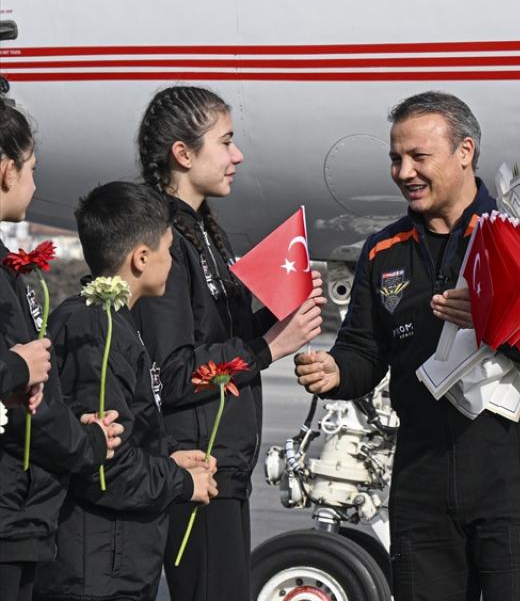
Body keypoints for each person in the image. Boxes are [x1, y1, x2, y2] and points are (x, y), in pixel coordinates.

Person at [293, 91, 520, 601]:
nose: (404, 171)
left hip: (513, 473)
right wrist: (336, 372)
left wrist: (496, 320)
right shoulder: (384, 250)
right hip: (421, 473)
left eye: (418, 157)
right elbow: (364, 349)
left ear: (465, 152)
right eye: (395, 158)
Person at [131, 86, 324, 601]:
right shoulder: (166, 242)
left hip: (224, 465)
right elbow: (173, 373)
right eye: (226, 141)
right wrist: (269, 347)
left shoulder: (202, 232)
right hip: (194, 467)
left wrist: (281, 314)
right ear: (183, 153)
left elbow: (216, 338)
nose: (237, 156)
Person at [35, 182, 218, 601]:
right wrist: (179, 481)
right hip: (96, 570)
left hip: (115, 563)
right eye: (169, 250)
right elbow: (104, 466)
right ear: (141, 258)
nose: (173, 263)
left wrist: (167, 456)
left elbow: (126, 433)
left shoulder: (113, 322)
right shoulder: (94, 329)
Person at [0, 105, 123, 601]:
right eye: (31, 169)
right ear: (6, 170)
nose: (34, 183)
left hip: (20, 513)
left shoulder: (8, 266)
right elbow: (23, 391)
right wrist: (86, 443)